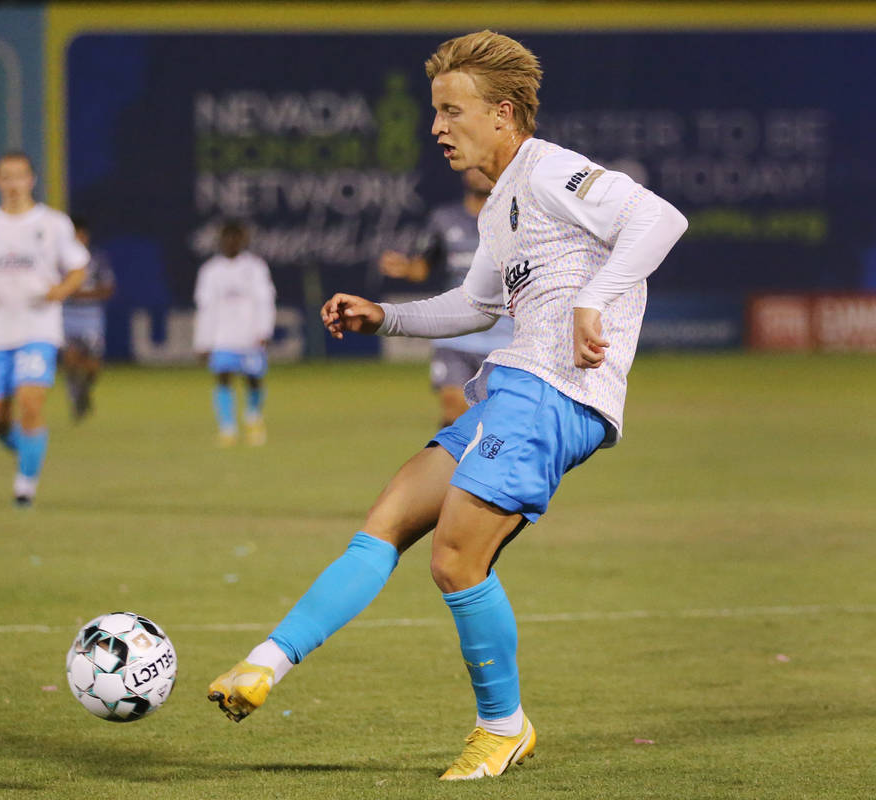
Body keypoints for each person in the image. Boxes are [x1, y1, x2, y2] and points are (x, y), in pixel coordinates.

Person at [207, 30, 688, 781]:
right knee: (388, 519)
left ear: (502, 114)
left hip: (557, 393)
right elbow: (473, 304)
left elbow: (660, 219)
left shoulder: (551, 169)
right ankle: (263, 664)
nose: (436, 127)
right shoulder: (498, 207)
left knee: (457, 560)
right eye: (435, 111)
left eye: (450, 110)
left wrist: (595, 300)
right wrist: (386, 315)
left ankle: (502, 728)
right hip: (513, 385)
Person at [0, 151, 89, 507]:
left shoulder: (53, 223)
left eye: (19, 176)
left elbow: (79, 266)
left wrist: (60, 291)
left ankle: (25, 486)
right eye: (5, 177)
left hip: (38, 329)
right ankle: (31, 451)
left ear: (31, 180)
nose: (13, 183)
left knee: (30, 402)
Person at [379, 169, 514, 425]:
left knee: (497, 421)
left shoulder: (512, 219)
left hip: (503, 338)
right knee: (453, 412)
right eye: (473, 167)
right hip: (456, 336)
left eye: (483, 166)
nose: (479, 173)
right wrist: (405, 267)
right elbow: (422, 269)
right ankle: (450, 464)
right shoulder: (444, 219)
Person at [193, 220, 276, 447]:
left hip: (249, 336)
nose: (231, 243)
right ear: (220, 241)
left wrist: (264, 329)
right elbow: (205, 307)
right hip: (222, 337)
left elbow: (265, 300)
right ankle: (227, 428)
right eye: (226, 238)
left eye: (235, 238)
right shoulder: (210, 271)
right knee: (223, 377)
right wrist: (203, 341)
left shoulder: (255, 267)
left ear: (243, 240)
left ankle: (253, 417)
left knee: (253, 379)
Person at [60, 217, 116, 421]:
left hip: (91, 317)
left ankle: (84, 391)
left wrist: (81, 295)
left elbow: (108, 288)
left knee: (93, 365)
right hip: (67, 316)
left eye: (81, 235)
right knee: (71, 359)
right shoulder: (58, 260)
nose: (78, 239)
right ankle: (75, 397)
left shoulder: (97, 258)